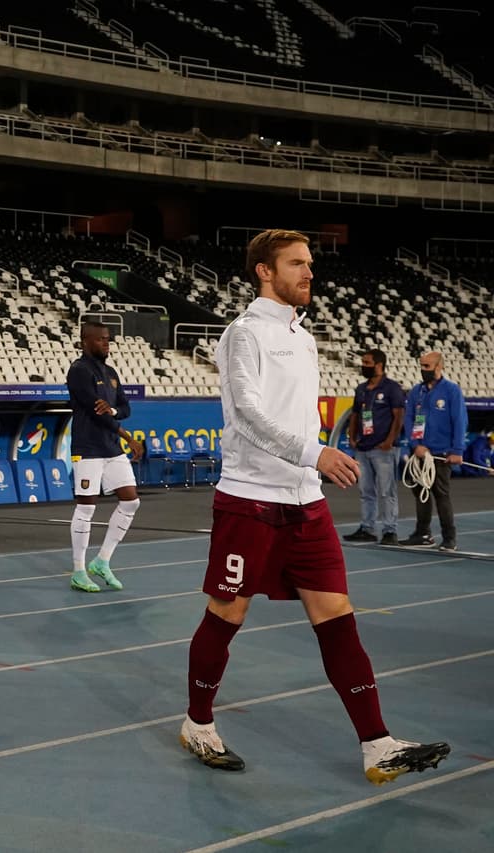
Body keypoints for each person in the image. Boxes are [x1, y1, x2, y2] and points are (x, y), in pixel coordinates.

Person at [181, 229, 449, 784]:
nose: (309, 273)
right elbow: (248, 416)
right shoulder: (244, 334)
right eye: (297, 264)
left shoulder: (303, 338)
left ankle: (377, 744)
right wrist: (314, 452)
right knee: (228, 613)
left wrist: (315, 461)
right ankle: (198, 723)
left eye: (309, 264)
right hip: (250, 502)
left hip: (306, 504)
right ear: (264, 270)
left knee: (338, 617)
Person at [65, 321, 145, 592]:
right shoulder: (78, 371)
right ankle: (78, 570)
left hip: (111, 448)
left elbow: (125, 408)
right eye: (101, 340)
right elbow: (96, 413)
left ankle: (102, 561)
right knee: (87, 508)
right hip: (88, 448)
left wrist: (112, 410)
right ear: (86, 340)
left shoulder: (110, 372)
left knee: (131, 501)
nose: (106, 343)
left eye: (108, 339)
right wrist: (128, 437)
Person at [400, 351, 467, 551]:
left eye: (427, 366)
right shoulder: (416, 392)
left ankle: (449, 537)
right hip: (420, 453)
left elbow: (460, 421)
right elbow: (409, 419)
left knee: (441, 494)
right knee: (420, 493)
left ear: (439, 367)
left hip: (441, 454)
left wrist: (457, 450)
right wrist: (415, 445)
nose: (423, 370)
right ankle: (422, 533)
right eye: (421, 366)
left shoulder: (451, 391)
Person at [343, 349, 405, 546]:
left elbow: (398, 416)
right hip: (363, 447)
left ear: (379, 365)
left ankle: (390, 530)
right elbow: (354, 415)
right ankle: (367, 528)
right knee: (366, 491)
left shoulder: (392, 388)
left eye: (367, 362)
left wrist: (389, 440)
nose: (363, 365)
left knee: (387, 491)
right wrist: (352, 437)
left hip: (384, 449)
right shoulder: (361, 389)